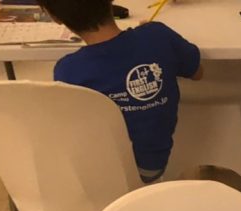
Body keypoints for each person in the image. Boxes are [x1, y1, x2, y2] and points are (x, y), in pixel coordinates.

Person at [38, 0, 203, 183]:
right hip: (152, 168)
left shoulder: (68, 70)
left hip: (101, 174)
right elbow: (197, 73)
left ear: (54, 17)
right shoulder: (158, 36)